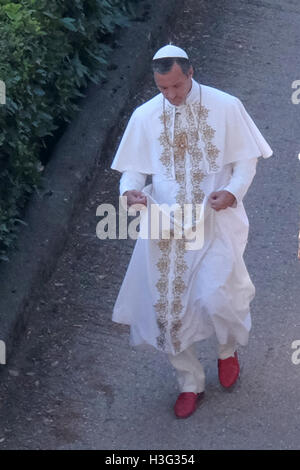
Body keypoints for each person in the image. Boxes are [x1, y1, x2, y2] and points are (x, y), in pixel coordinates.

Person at [110, 44, 273, 419]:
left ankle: (227, 350)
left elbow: (245, 161)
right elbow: (132, 171)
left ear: (190, 73)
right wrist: (128, 193)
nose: (171, 96)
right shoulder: (146, 115)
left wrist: (232, 192)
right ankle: (189, 382)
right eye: (163, 89)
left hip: (213, 220)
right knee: (167, 311)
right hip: (164, 226)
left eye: (177, 87)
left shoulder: (225, 106)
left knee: (217, 296)